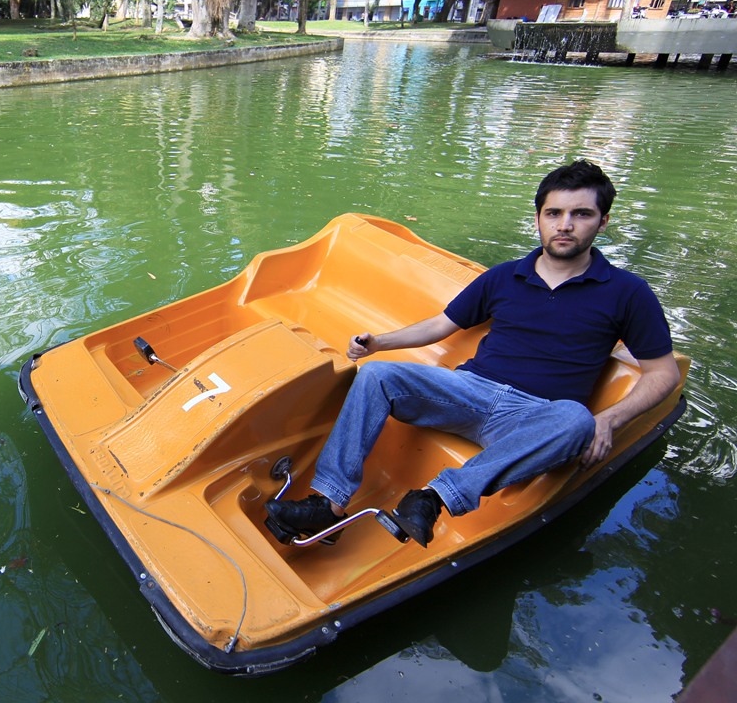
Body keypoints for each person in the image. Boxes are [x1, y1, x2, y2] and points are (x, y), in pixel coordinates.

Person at [265, 160, 681, 548]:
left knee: (576, 419)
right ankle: (327, 504)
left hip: (534, 416)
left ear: (602, 222)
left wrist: (608, 420)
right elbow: (442, 325)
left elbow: (663, 374)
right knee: (377, 375)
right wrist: (378, 343)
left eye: (581, 214)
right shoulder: (505, 276)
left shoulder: (628, 292)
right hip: (466, 391)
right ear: (538, 217)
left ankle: (433, 497)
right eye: (554, 213)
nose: (565, 225)